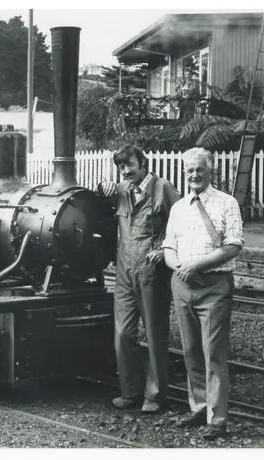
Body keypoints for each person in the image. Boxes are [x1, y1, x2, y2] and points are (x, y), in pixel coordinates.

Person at [162, 147, 243, 440]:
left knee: (214, 354)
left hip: (214, 286)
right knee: (191, 350)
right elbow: (168, 247)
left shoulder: (226, 203)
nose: (194, 175)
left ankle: (217, 420)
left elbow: (233, 245)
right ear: (184, 173)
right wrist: (179, 267)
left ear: (211, 171)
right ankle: (199, 407)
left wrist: (196, 265)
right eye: (189, 170)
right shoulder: (178, 208)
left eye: (200, 169)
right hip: (183, 285)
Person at [98, 145, 180, 414]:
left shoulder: (163, 188)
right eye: (121, 168)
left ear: (143, 162)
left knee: (155, 335)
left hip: (152, 272)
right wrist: (103, 185)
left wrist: (165, 249)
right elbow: (97, 197)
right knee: (122, 334)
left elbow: (182, 222)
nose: (125, 171)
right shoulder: (121, 191)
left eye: (129, 165)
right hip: (123, 271)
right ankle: (130, 392)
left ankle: (155, 396)